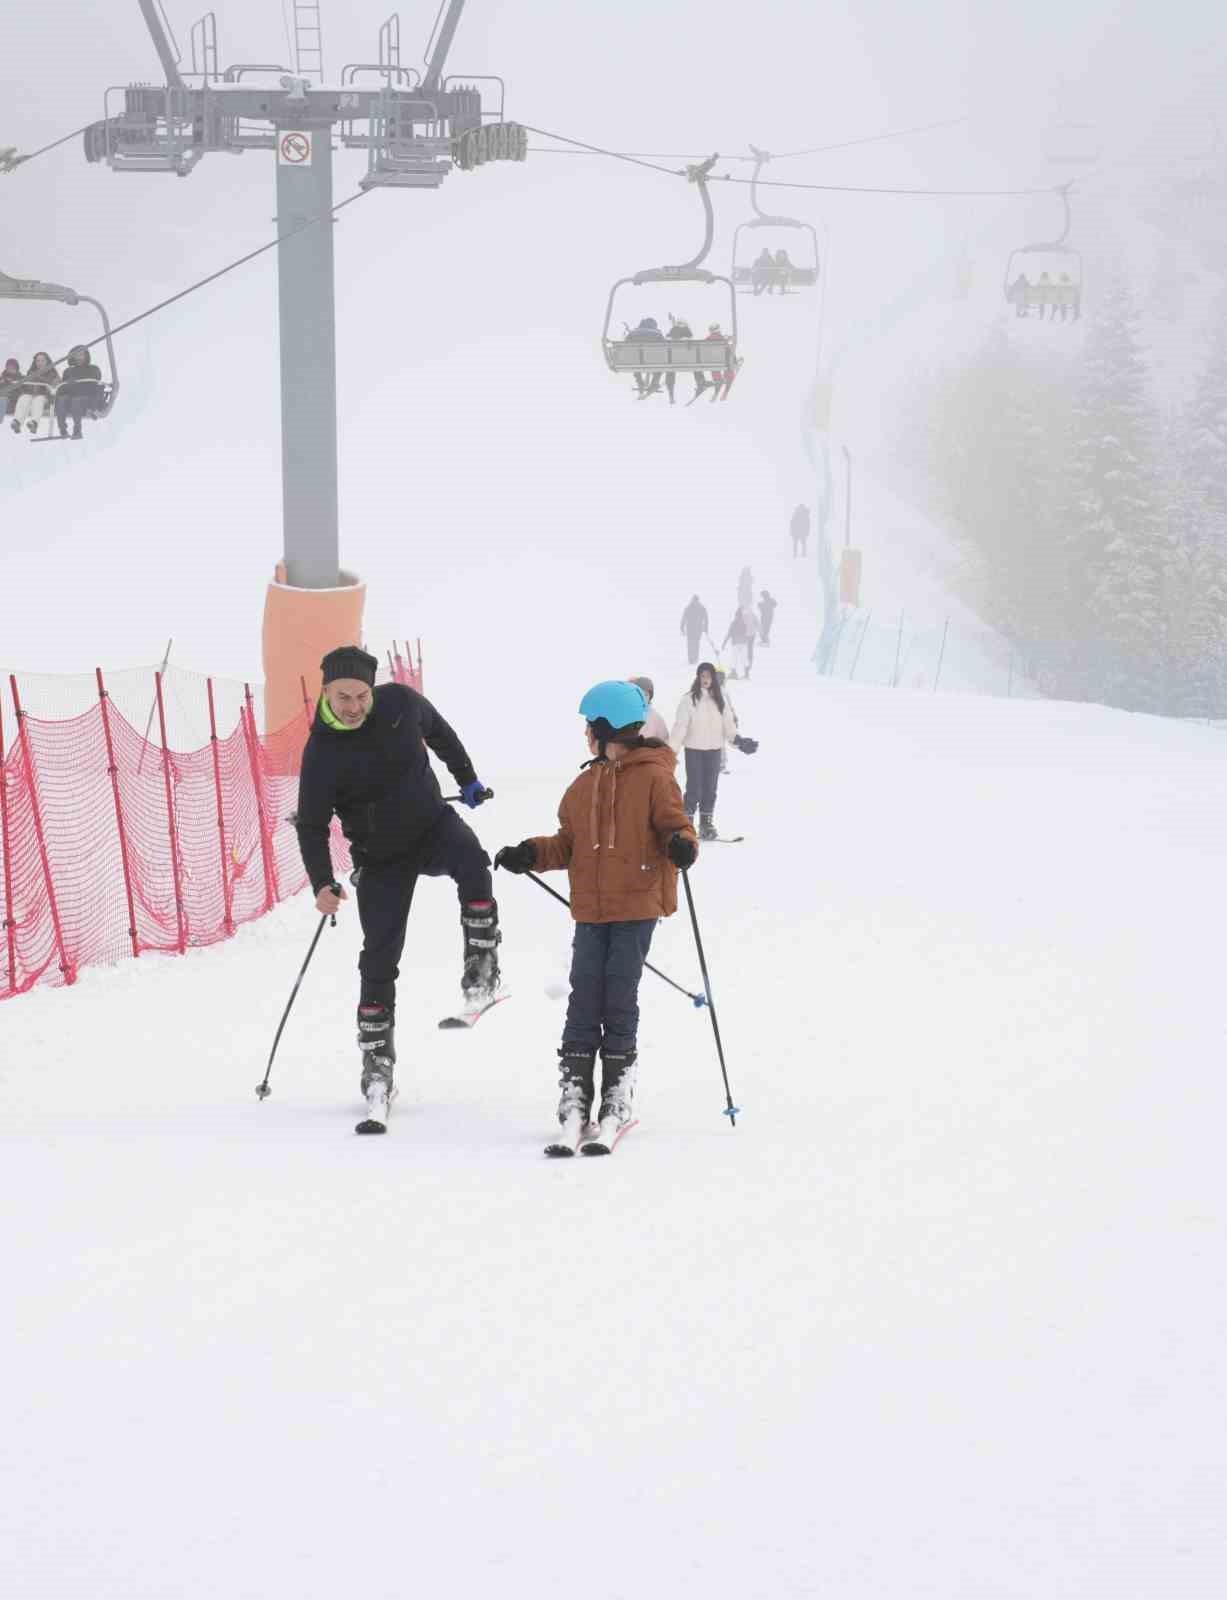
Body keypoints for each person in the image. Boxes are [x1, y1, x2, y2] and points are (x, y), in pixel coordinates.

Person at [493, 680, 698, 1151]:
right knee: (584, 995)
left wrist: (681, 845)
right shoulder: (582, 787)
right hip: (591, 910)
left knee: (618, 996)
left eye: (589, 726)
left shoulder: (655, 778)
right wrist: (530, 852)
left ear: (602, 728)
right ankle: (575, 1095)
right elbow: (568, 845)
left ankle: (616, 1095)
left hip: (637, 906)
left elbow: (676, 826)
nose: (586, 734)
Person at [293, 646, 496, 1119]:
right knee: (380, 955)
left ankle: (482, 966)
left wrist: (466, 779)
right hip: (379, 855)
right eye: (343, 697)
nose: (354, 706)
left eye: (362, 695)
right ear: (326, 693)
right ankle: (377, 1060)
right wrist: (322, 882)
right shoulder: (321, 751)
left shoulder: (401, 704)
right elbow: (312, 825)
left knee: (472, 859)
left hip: (431, 827)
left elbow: (441, 733)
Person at [669, 662, 756, 840]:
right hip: (693, 750)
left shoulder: (721, 699)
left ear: (713, 678)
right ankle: (687, 824)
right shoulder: (688, 700)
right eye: (702, 676)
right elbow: (680, 728)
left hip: (714, 751)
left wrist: (740, 742)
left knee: (710, 789)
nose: (706, 680)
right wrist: (669, 752)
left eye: (709, 676)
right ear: (698, 677)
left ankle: (706, 823)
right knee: (694, 788)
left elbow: (729, 728)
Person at [54, 346, 104, 440]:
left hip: (87, 397)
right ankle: (63, 430)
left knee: (76, 400)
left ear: (86, 356)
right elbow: (64, 388)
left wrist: (77, 381)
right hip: (72, 396)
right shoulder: (68, 371)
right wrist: (62, 384)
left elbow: (94, 383)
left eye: (81, 355)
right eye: (76, 355)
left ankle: (77, 430)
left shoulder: (93, 369)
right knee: (61, 399)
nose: (79, 357)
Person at [10, 352, 58, 436]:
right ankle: (17, 421)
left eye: (42, 360)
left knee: (38, 400)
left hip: (44, 396)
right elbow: (25, 385)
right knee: (24, 398)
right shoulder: (31, 372)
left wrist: (41, 378)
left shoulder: (52, 373)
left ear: (47, 361)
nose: (40, 363)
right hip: (30, 394)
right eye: (38, 361)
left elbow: (55, 385)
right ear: (35, 362)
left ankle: (34, 423)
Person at [625, 316, 664, 397]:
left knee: (635, 362)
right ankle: (654, 383)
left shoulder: (633, 333)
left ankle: (640, 382)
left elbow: (626, 344)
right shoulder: (657, 334)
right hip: (653, 359)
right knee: (661, 366)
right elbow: (664, 346)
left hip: (636, 359)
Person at [628, 676, 670, 741]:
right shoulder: (626, 712)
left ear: (650, 696)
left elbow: (664, 739)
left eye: (646, 694)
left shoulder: (655, 717)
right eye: (640, 694)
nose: (643, 698)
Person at [721, 608, 753, 679]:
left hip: (736, 643)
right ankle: (746, 674)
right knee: (744, 658)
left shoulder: (734, 623)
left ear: (736, 615)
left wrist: (724, 643)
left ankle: (734, 673)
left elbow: (729, 633)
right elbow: (746, 634)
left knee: (734, 658)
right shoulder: (744, 623)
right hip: (744, 643)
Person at [680, 594, 708, 664]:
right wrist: (706, 628)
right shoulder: (701, 608)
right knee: (696, 644)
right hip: (698, 629)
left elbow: (683, 618)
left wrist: (682, 628)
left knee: (690, 644)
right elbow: (706, 619)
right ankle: (695, 658)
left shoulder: (688, 607)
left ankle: (691, 659)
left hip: (690, 629)